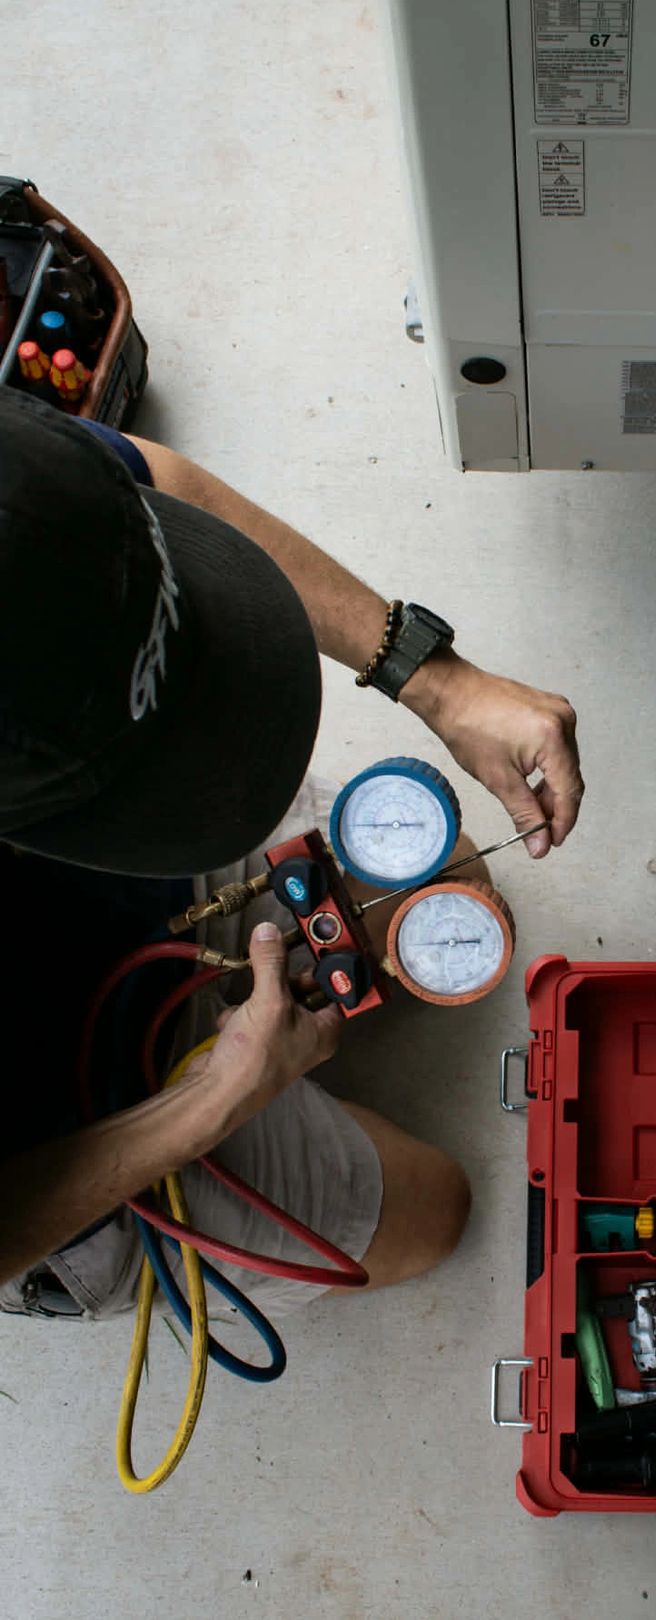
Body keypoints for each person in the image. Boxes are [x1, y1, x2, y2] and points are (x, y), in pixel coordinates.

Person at [0, 387, 584, 1319]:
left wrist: (437, 681)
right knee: (430, 1211)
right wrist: (214, 1101)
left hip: (105, 890)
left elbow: (155, 480)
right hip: (49, 1136)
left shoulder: (15, 481)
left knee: (452, 884)